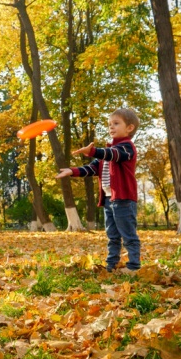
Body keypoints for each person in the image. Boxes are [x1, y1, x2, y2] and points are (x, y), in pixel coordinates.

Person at [56, 108, 141, 273]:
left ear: (129, 128)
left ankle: (134, 267)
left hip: (123, 199)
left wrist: (94, 151)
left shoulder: (126, 148)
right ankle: (111, 265)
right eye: (109, 124)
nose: (111, 127)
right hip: (110, 200)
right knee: (112, 236)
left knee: (128, 235)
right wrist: (72, 171)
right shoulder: (106, 152)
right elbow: (91, 168)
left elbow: (113, 155)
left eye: (116, 123)